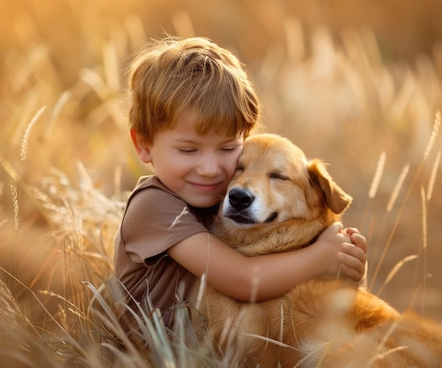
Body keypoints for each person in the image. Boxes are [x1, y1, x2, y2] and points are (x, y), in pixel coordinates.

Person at [114, 36, 367, 329]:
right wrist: (321, 257)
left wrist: (347, 268)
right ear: (144, 145)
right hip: (150, 364)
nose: (210, 169)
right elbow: (245, 281)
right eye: (188, 150)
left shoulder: (220, 198)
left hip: (221, 358)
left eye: (227, 149)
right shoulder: (153, 206)